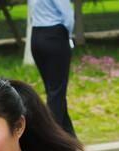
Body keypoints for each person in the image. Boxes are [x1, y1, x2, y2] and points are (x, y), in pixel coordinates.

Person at [29, 0, 77, 137]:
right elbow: (67, 16)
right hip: (55, 35)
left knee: (54, 92)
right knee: (56, 92)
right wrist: (67, 37)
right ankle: (52, 137)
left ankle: (70, 137)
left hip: (36, 35)